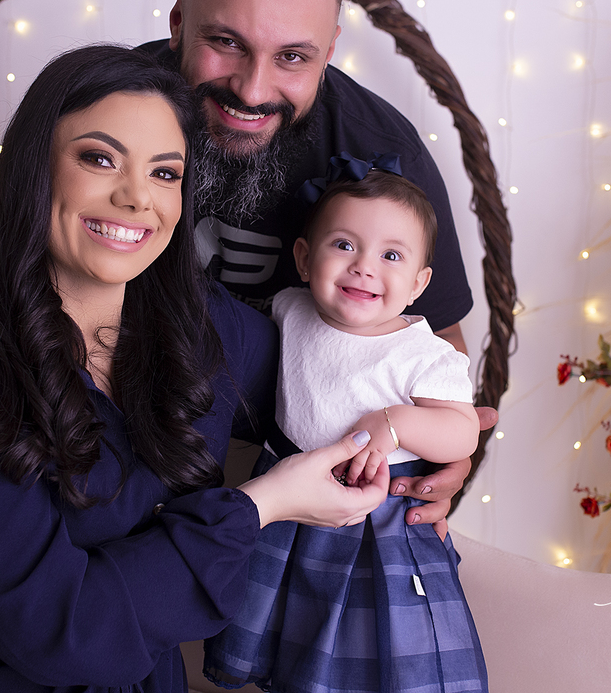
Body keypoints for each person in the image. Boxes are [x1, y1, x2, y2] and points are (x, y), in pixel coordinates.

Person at [0, 0, 495, 527]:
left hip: (297, 450)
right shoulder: (119, 107)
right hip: (118, 433)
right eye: (227, 41)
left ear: (330, 49)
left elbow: (432, 339)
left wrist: (442, 448)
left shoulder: (380, 153)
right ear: (179, 20)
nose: (253, 89)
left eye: (292, 56)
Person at [0, 45, 390, 693]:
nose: (135, 198)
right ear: (34, 169)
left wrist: (431, 427)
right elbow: (69, 634)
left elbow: (345, 382)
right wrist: (262, 505)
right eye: (99, 159)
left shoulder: (202, 328)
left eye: (164, 173)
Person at [203, 163, 488, 693]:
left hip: (377, 520)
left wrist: (395, 423)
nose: (363, 267)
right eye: (344, 245)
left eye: (391, 256)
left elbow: (462, 432)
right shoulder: (291, 309)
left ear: (419, 283)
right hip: (289, 504)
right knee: (290, 637)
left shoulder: (423, 354)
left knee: (373, 646)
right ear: (304, 259)